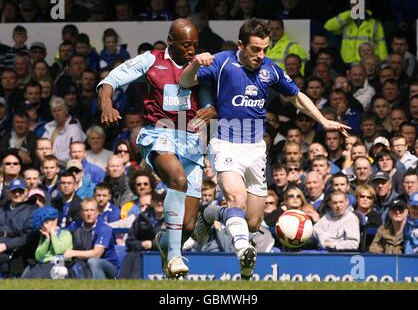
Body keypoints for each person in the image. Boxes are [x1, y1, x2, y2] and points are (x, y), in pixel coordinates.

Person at [179, 18, 350, 280]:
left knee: (252, 222)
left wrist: (323, 120)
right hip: (225, 143)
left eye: (265, 49)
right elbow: (184, 81)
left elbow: (296, 96)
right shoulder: (221, 61)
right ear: (241, 45)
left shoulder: (270, 69)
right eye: (255, 49)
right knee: (236, 198)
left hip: (256, 150)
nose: (261, 55)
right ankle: (244, 253)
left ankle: (210, 212)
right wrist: (194, 63)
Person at [97, 18, 216, 278]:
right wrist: (107, 104)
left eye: (195, 45)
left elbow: (212, 103)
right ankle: (174, 257)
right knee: (177, 179)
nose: (191, 50)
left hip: (192, 142)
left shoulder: (200, 66)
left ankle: (165, 242)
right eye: (186, 45)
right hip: (158, 134)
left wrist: (211, 111)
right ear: (171, 41)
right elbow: (111, 80)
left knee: (185, 226)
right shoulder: (151, 61)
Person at [65, 198, 119, 279]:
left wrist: (73, 253)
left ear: (97, 212)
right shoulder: (75, 226)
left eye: (92, 210)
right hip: (83, 262)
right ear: (81, 213)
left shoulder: (104, 228)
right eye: (86, 210)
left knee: (93, 261)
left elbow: (97, 254)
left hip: (107, 264)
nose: (89, 213)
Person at [22, 206, 73, 279]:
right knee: (26, 277)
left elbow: (59, 250)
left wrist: (53, 235)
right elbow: (38, 257)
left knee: (37, 277)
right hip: (44, 264)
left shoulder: (65, 233)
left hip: (58, 263)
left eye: (48, 222)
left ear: (55, 220)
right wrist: (47, 240)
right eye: (43, 223)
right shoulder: (44, 237)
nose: (46, 226)